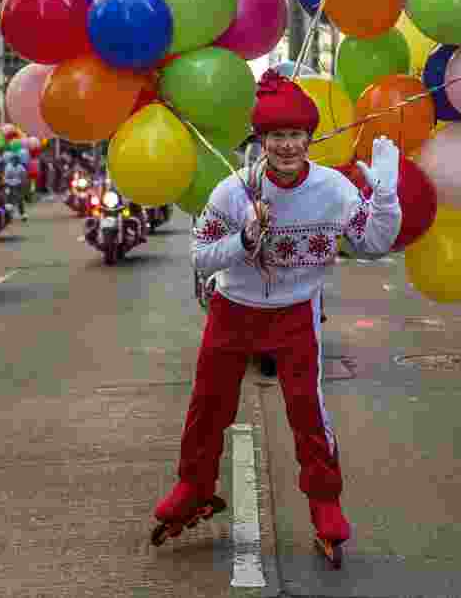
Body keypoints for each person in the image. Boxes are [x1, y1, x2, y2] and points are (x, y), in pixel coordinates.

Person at [154, 70, 403, 562]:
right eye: (276, 136)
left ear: (309, 138)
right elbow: (199, 256)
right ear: (262, 141)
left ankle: (325, 504)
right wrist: (244, 240)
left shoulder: (333, 189)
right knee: (208, 406)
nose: (287, 146)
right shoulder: (233, 192)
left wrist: (387, 199)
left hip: (295, 311)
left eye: (295, 135)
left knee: (307, 412)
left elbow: (374, 244)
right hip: (233, 309)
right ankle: (194, 486)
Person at [3, 153, 29, 222]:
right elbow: (6, 177)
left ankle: (23, 214)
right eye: (14, 160)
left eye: (17, 160)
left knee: (20, 199)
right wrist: (7, 184)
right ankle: (9, 216)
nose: (15, 161)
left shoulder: (20, 167)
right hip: (9, 184)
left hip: (18, 185)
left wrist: (24, 183)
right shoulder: (8, 167)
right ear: (12, 160)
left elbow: (24, 175)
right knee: (9, 200)